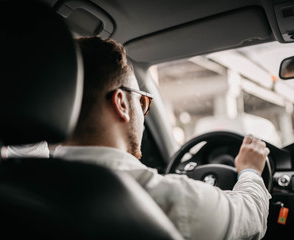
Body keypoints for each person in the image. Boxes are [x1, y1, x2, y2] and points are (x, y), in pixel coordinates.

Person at [54, 37, 271, 240]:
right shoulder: (169, 200)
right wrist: (250, 170)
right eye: (142, 102)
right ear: (121, 104)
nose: (143, 115)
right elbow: (251, 216)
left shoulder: (27, 182)